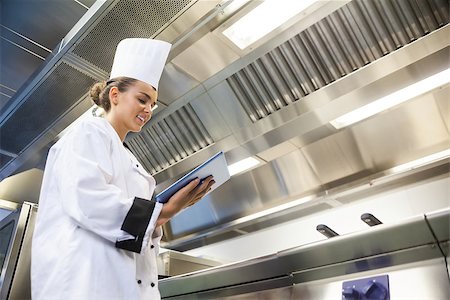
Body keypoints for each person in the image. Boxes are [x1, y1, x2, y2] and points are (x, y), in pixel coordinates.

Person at [31, 38, 215, 300]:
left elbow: (134, 234)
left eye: (153, 104)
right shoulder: (88, 133)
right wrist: (163, 212)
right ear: (114, 95)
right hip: (84, 286)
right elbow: (89, 200)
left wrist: (159, 216)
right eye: (142, 99)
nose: (148, 109)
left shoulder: (129, 159)